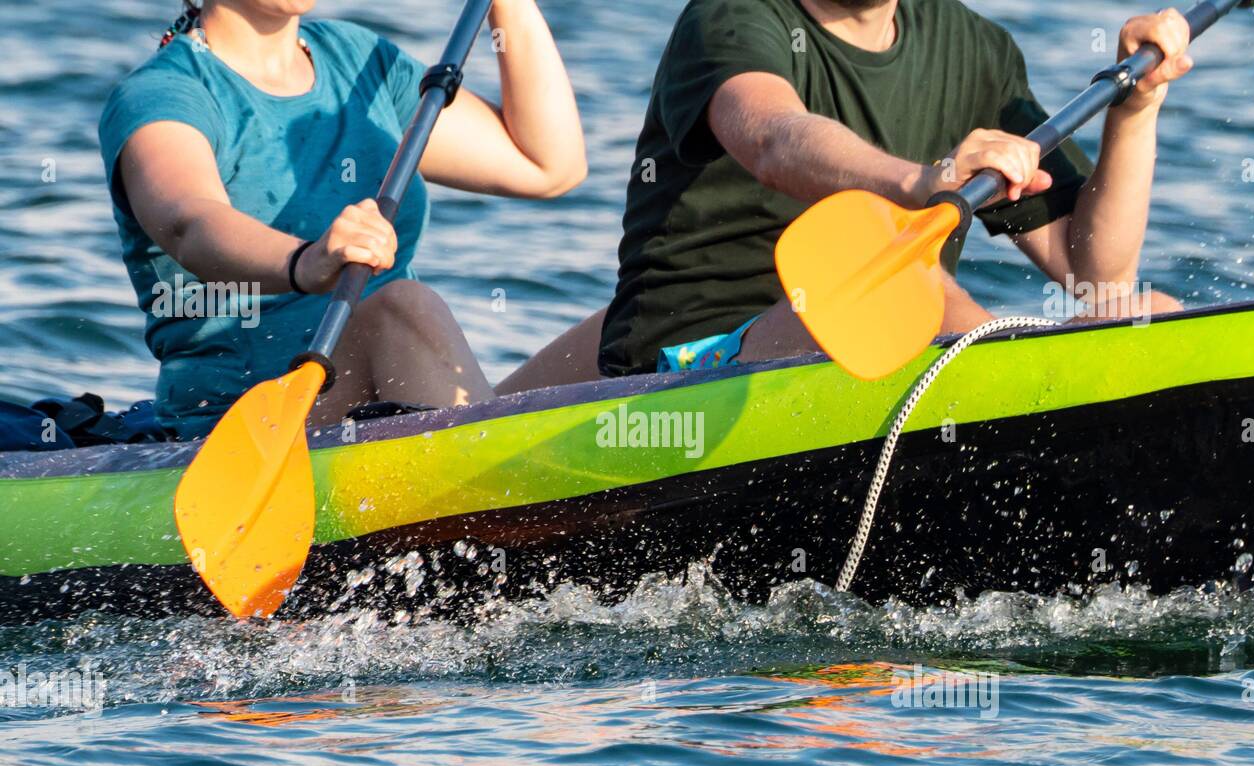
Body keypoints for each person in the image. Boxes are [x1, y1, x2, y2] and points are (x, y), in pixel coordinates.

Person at [499, 0, 1189, 393]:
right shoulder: (732, 18)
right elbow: (776, 139)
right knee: (907, 284)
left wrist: (1135, 109)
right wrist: (925, 180)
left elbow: (1095, 275)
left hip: (880, 352)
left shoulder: (974, 49)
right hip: (684, 377)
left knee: (1148, 314)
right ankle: (1025, 407)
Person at [100, 0, 585, 439]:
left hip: (397, 408)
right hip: (250, 435)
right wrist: (305, 262)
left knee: (631, 325)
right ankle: (505, 501)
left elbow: (547, 167)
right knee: (402, 306)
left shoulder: (359, 62)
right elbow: (190, 222)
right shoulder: (163, 94)